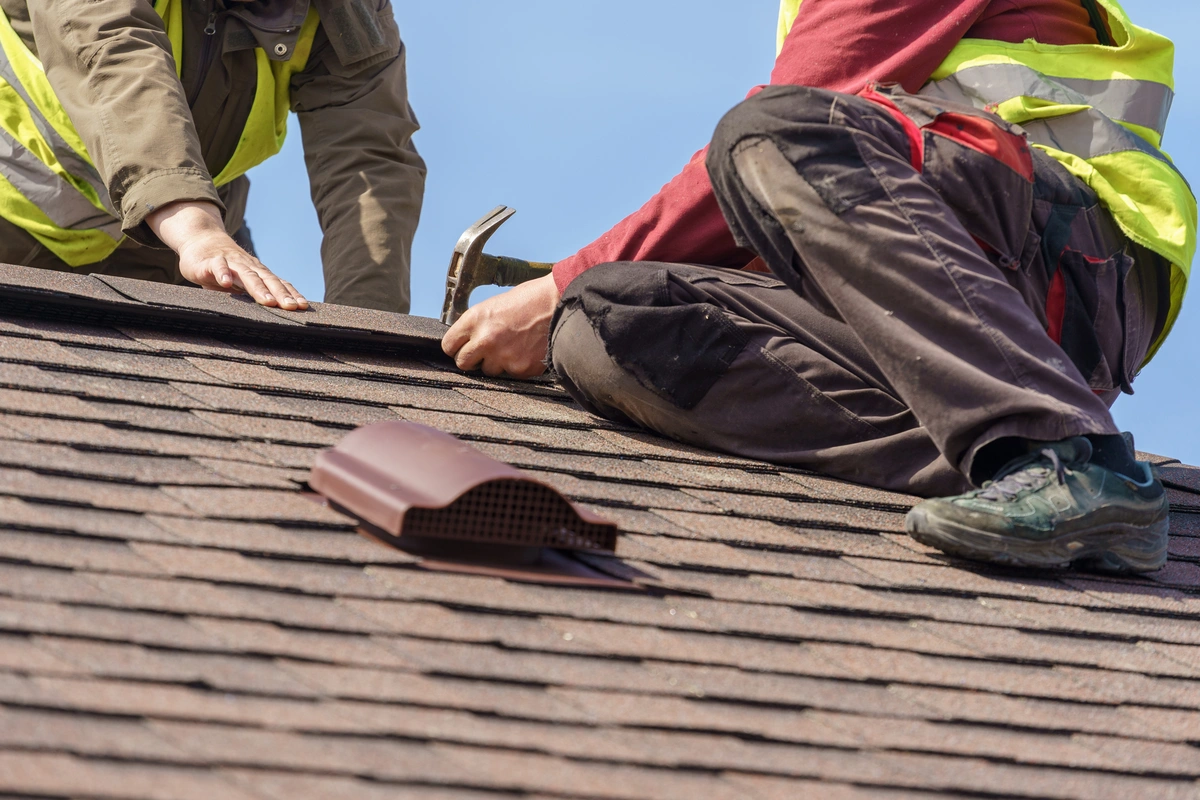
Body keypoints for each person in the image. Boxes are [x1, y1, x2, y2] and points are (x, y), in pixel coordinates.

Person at [442, 0, 1195, 573]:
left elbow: (781, 137)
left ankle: (1068, 458)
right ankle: (1017, 473)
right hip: (966, 313)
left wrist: (550, 284)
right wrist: (571, 293)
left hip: (1060, 275)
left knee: (769, 129)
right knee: (607, 323)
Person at [0, 0, 426, 312]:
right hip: (14, 227)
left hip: (173, 257)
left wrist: (366, 324)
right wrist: (198, 231)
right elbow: (113, 55)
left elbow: (367, 160)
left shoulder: (349, 14)